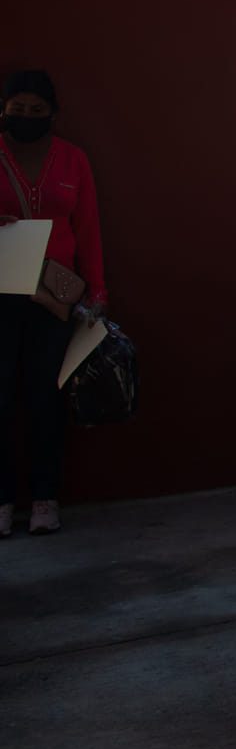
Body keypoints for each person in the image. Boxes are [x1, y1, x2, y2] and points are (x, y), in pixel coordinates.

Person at [0, 69, 106, 539]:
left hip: (54, 300)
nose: (26, 118)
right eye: (17, 110)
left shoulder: (72, 160)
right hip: (2, 292)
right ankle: (1, 500)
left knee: (46, 399)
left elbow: (88, 228)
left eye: (36, 111)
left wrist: (98, 294)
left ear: (52, 114)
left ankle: (45, 498)